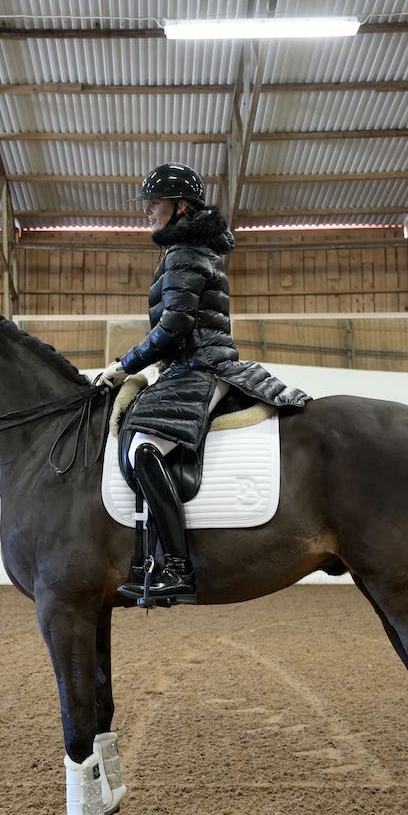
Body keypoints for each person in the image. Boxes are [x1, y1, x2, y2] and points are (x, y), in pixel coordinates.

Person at [101, 162, 308, 605]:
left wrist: (124, 363)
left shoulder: (184, 253)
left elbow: (173, 328)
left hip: (199, 367)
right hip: (189, 367)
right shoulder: (188, 248)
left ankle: (174, 567)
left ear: (179, 207)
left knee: (144, 448)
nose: (147, 213)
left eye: (153, 204)